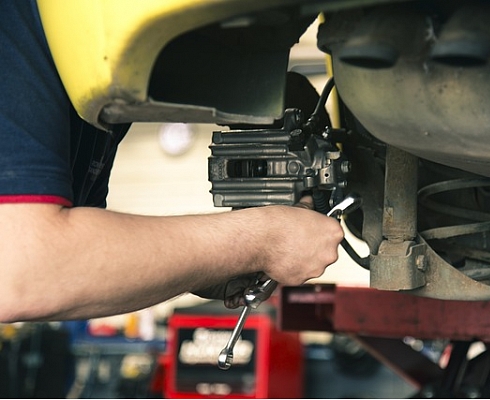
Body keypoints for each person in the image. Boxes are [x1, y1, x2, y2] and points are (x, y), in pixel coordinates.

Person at [0, 1, 344, 323]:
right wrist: (260, 240)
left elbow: (78, 272)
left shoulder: (96, 58)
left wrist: (208, 264)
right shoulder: (15, 18)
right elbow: (24, 271)